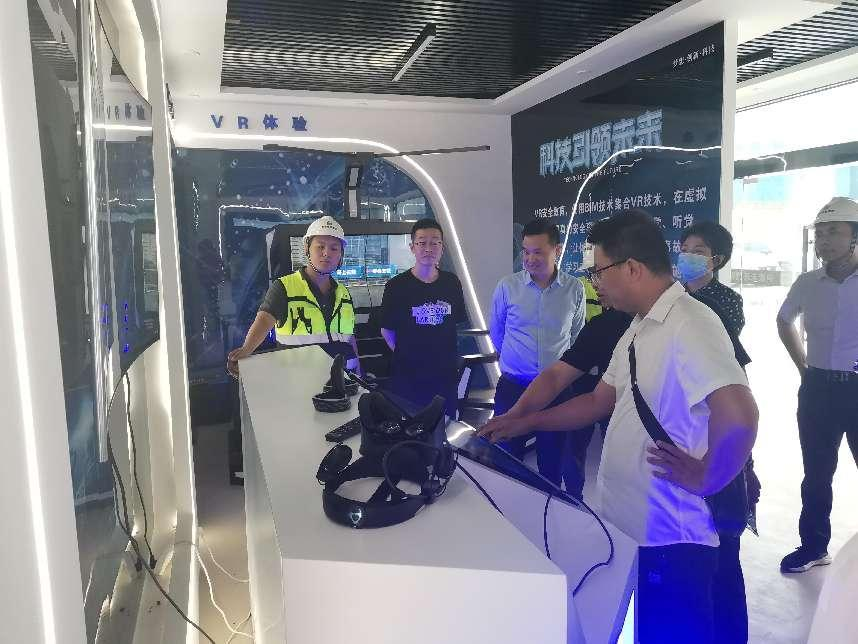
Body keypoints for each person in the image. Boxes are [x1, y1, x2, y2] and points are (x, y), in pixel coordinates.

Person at [479, 211, 758, 644]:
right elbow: (596, 402)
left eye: (599, 271)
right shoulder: (638, 327)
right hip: (636, 529)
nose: (595, 283)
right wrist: (523, 421)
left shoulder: (690, 322)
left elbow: (740, 414)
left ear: (632, 268)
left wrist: (708, 476)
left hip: (672, 535)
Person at [680, 220, 756, 644]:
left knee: (724, 543)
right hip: (687, 432)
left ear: (717, 259)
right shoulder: (674, 299)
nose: (688, 256)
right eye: (685, 248)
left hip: (720, 431)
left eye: (698, 250)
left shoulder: (723, 304)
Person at [777, 196, 858, 574]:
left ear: (854, 235)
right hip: (818, 389)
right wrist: (803, 367)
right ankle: (813, 546)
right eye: (819, 234)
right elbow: (784, 320)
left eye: (833, 232)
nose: (823, 241)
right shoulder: (808, 283)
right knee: (816, 474)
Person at [494, 284, 631, 499]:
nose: (596, 284)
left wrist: (527, 420)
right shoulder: (603, 324)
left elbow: (598, 400)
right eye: (593, 276)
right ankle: (572, 500)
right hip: (574, 389)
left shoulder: (573, 289)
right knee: (572, 452)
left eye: (600, 273)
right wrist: (517, 415)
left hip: (637, 432)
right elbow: (560, 375)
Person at [489, 219, 586, 489]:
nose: (530, 259)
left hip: (556, 391)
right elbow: (497, 333)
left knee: (552, 466)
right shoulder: (507, 287)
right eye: (526, 251)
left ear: (557, 250)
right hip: (513, 387)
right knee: (507, 463)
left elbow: (576, 336)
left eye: (538, 252)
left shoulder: (574, 289)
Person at [226, 215, 360, 377]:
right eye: (320, 246)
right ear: (307, 249)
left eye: (334, 248)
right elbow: (264, 319)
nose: (327, 253)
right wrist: (247, 349)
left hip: (345, 381)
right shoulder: (284, 287)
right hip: (300, 381)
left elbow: (350, 339)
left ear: (341, 254)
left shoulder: (343, 293)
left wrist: (359, 374)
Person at [380, 218, 467, 418]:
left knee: (445, 425)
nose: (428, 248)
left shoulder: (452, 283)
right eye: (422, 242)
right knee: (409, 425)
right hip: (408, 376)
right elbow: (386, 329)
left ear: (442, 248)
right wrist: (408, 354)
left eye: (435, 242)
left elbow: (455, 323)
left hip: (444, 374)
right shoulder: (396, 286)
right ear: (412, 247)